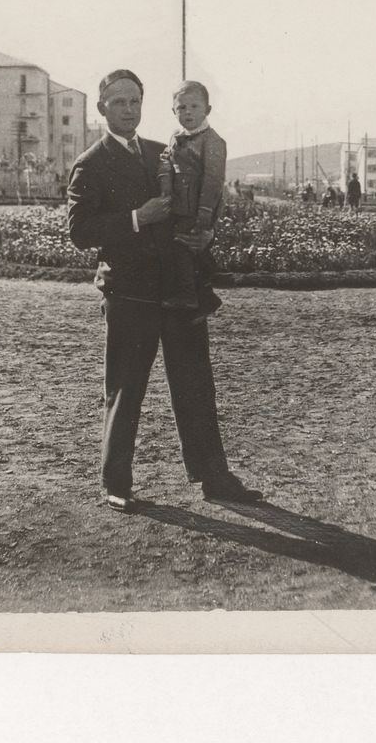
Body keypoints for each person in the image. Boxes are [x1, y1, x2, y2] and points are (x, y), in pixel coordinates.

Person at [67, 68, 262, 514]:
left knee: (196, 385)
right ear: (102, 109)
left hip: (179, 289)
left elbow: (198, 200)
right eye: (119, 102)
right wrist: (138, 217)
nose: (129, 109)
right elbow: (79, 231)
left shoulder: (165, 149)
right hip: (130, 294)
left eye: (135, 101)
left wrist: (205, 235)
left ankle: (214, 477)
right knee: (125, 388)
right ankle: (115, 483)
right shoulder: (90, 163)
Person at [157, 80, 228, 316]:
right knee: (184, 251)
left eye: (194, 107)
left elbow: (213, 180)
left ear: (207, 110)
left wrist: (205, 213)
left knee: (185, 248)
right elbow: (167, 161)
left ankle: (189, 296)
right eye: (182, 107)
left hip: (198, 206)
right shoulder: (176, 137)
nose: (188, 112)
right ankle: (204, 298)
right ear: (173, 111)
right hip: (180, 204)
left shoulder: (212, 141)